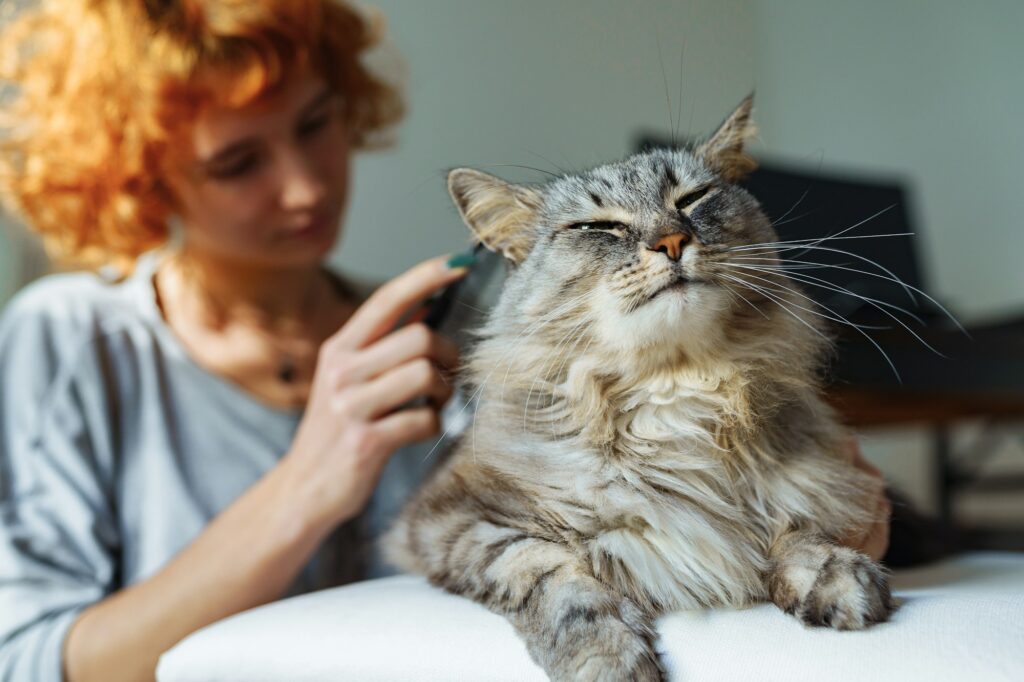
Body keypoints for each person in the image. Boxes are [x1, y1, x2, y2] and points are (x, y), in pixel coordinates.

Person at [0, 1, 889, 681]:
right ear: (138, 180)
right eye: (238, 164)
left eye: (316, 125)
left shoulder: (463, 329)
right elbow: (35, 658)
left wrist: (804, 513)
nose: (306, 186)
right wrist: (310, 482)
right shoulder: (69, 340)